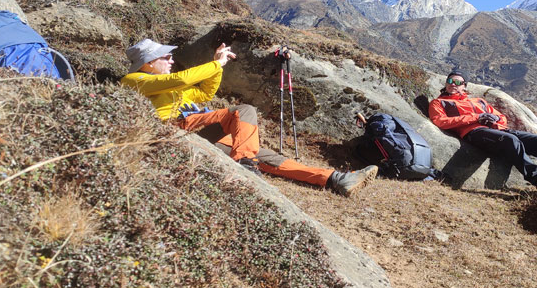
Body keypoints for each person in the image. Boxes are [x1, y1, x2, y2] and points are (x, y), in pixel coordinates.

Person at [121, 39, 377, 196]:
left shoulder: (166, 86)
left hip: (199, 128)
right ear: (147, 63)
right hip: (177, 127)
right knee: (244, 112)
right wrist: (216, 65)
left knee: (264, 155)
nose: (171, 59)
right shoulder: (134, 81)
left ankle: (335, 179)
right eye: (165, 56)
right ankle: (244, 164)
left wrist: (215, 64)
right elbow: (181, 78)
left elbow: (204, 91)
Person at [428, 70, 537, 190]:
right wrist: (476, 118)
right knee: (511, 141)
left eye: (458, 82)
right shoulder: (439, 102)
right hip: (474, 133)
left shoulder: (479, 101)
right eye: (450, 81)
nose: (453, 85)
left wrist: (494, 120)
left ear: (465, 86)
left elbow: (502, 117)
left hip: (498, 131)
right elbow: (440, 121)